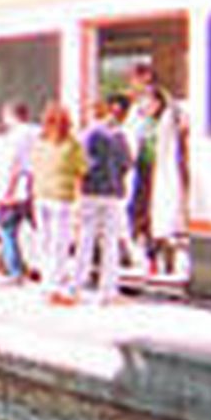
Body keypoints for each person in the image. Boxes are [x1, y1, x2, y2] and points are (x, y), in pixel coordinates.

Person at [125, 63, 189, 276]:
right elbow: (130, 138)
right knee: (139, 213)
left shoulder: (170, 113)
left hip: (160, 171)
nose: (145, 105)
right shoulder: (136, 115)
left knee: (163, 216)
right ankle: (147, 258)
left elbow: (180, 131)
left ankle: (165, 261)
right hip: (141, 171)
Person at [71, 94, 134, 305]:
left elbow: (80, 163)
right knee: (110, 242)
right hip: (113, 193)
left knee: (86, 239)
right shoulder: (119, 136)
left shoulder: (87, 134)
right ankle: (108, 291)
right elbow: (127, 164)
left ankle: (77, 286)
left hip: (90, 192)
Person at [28, 101, 85, 305]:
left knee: (44, 241)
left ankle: (45, 285)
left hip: (41, 195)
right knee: (59, 245)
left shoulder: (39, 143)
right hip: (62, 198)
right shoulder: (72, 145)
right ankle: (55, 288)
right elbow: (82, 170)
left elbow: (32, 167)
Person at [0, 100, 38, 285]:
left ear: (11, 116)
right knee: (42, 231)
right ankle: (51, 270)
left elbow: (14, 166)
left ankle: (15, 272)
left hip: (19, 188)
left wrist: (7, 193)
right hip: (38, 185)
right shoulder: (38, 131)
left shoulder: (15, 136)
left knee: (7, 230)